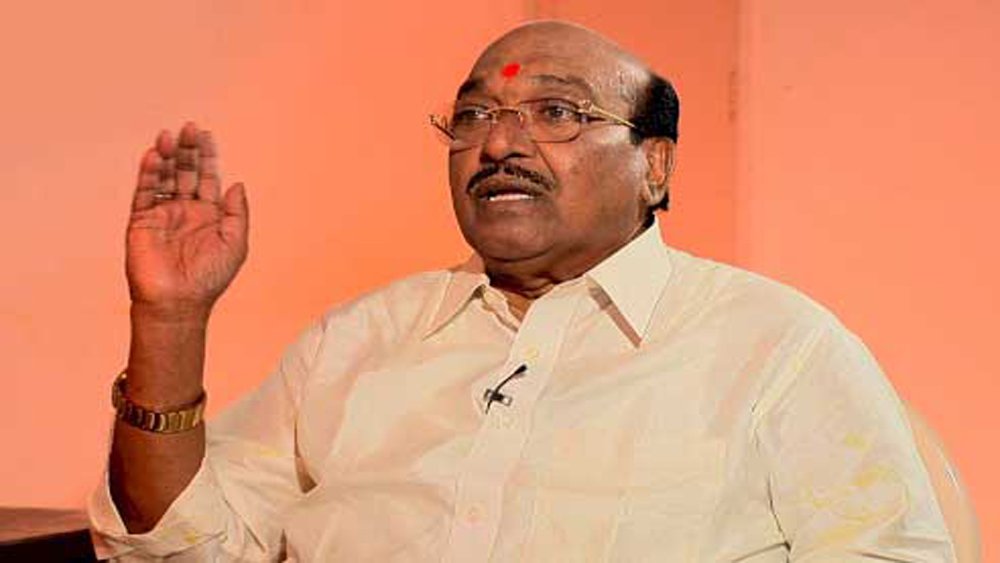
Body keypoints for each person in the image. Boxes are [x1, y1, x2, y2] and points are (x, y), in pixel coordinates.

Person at [89, 20, 956, 561]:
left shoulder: (774, 345)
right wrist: (169, 320)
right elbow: (177, 546)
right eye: (473, 116)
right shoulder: (353, 343)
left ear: (654, 166)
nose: (499, 144)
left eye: (558, 113)